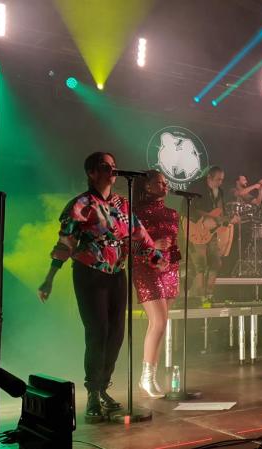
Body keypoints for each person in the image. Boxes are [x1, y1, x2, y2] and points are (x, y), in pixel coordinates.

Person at [37, 152, 167, 423]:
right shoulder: (81, 205)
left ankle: (103, 386)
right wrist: (49, 278)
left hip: (117, 274)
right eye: (105, 167)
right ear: (92, 173)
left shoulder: (121, 203)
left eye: (113, 166)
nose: (112, 171)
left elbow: (139, 234)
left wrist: (156, 257)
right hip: (90, 274)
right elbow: (65, 243)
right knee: (98, 332)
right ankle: (93, 393)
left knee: (116, 334)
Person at [133, 170, 181, 398]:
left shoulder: (172, 213)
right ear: (147, 186)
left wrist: (174, 261)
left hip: (169, 269)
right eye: (159, 183)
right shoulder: (137, 212)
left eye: (166, 183)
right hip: (146, 268)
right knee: (159, 321)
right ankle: (146, 377)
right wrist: (153, 246)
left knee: (160, 325)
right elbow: (131, 244)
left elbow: (174, 243)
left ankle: (150, 377)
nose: (165, 186)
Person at [189, 166, 237, 297]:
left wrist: (229, 220)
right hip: (196, 227)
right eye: (218, 179)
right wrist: (209, 218)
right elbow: (191, 209)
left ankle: (208, 295)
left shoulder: (219, 192)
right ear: (209, 177)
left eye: (222, 180)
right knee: (200, 264)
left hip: (211, 232)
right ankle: (198, 296)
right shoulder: (196, 187)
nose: (220, 182)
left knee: (216, 262)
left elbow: (220, 214)